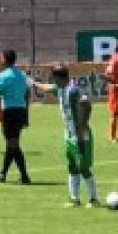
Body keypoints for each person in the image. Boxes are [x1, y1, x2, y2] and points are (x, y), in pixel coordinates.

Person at [33, 65, 100, 207]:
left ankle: (94, 199)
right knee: (72, 166)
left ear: (59, 77)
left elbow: (86, 104)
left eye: (54, 77)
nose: (52, 80)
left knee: (83, 168)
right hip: (69, 135)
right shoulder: (60, 89)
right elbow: (47, 87)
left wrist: (81, 127)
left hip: (81, 135)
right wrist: (33, 83)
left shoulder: (73, 90)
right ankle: (74, 199)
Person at [0, 49, 32, 184]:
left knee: (13, 144)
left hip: (10, 112)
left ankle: (24, 176)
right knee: (11, 144)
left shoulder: (2, 76)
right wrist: (26, 113)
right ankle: (3, 173)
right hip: (21, 110)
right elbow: (27, 94)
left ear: (5, 59)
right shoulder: (22, 75)